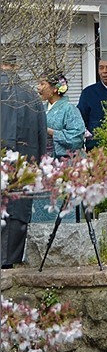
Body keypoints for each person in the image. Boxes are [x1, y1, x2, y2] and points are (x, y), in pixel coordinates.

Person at [1, 55, 49, 268]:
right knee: (18, 208)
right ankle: (11, 259)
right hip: (25, 163)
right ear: (17, 65)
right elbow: (42, 137)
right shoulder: (32, 94)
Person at [37, 71, 86, 158]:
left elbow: (77, 138)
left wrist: (52, 132)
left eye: (42, 84)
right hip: (45, 159)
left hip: (66, 161)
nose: (38, 87)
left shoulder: (69, 109)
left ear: (55, 89)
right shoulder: (41, 109)